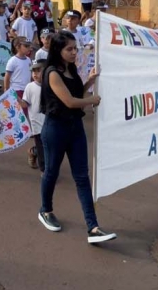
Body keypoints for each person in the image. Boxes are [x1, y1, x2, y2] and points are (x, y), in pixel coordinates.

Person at [38, 31, 115, 244]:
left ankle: (93, 227)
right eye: (69, 49)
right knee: (51, 172)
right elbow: (70, 102)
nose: (74, 52)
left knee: (82, 177)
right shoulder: (52, 73)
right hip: (55, 129)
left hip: (75, 129)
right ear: (58, 50)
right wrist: (93, 99)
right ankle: (45, 210)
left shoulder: (70, 69)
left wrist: (89, 81)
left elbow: (76, 94)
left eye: (75, 48)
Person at [22, 60, 46, 171]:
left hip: (50, 122)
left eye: (38, 70)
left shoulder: (51, 85)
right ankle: (44, 170)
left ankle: (33, 151)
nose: (35, 74)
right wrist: (14, 98)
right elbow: (24, 103)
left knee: (51, 147)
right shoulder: (30, 87)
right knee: (43, 149)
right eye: (33, 71)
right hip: (37, 124)